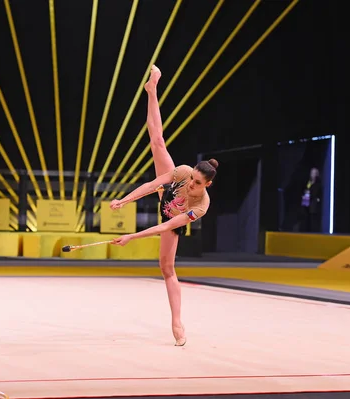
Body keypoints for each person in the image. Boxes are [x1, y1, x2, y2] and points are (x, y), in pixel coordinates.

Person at [109, 65, 218, 346]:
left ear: (207, 186)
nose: (191, 184)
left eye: (196, 183)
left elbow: (168, 225)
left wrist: (132, 237)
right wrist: (124, 199)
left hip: (173, 216)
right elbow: (152, 186)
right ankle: (152, 90)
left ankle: (176, 320)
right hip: (166, 196)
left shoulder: (202, 205)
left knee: (167, 269)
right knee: (157, 141)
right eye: (192, 178)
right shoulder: (182, 172)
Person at [300, 167, 322, 232]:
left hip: (313, 205)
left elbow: (315, 193)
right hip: (306, 203)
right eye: (311, 173)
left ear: (316, 174)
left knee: (312, 221)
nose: (311, 174)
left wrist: (310, 194)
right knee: (305, 219)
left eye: (313, 173)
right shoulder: (309, 182)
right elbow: (306, 189)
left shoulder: (318, 184)